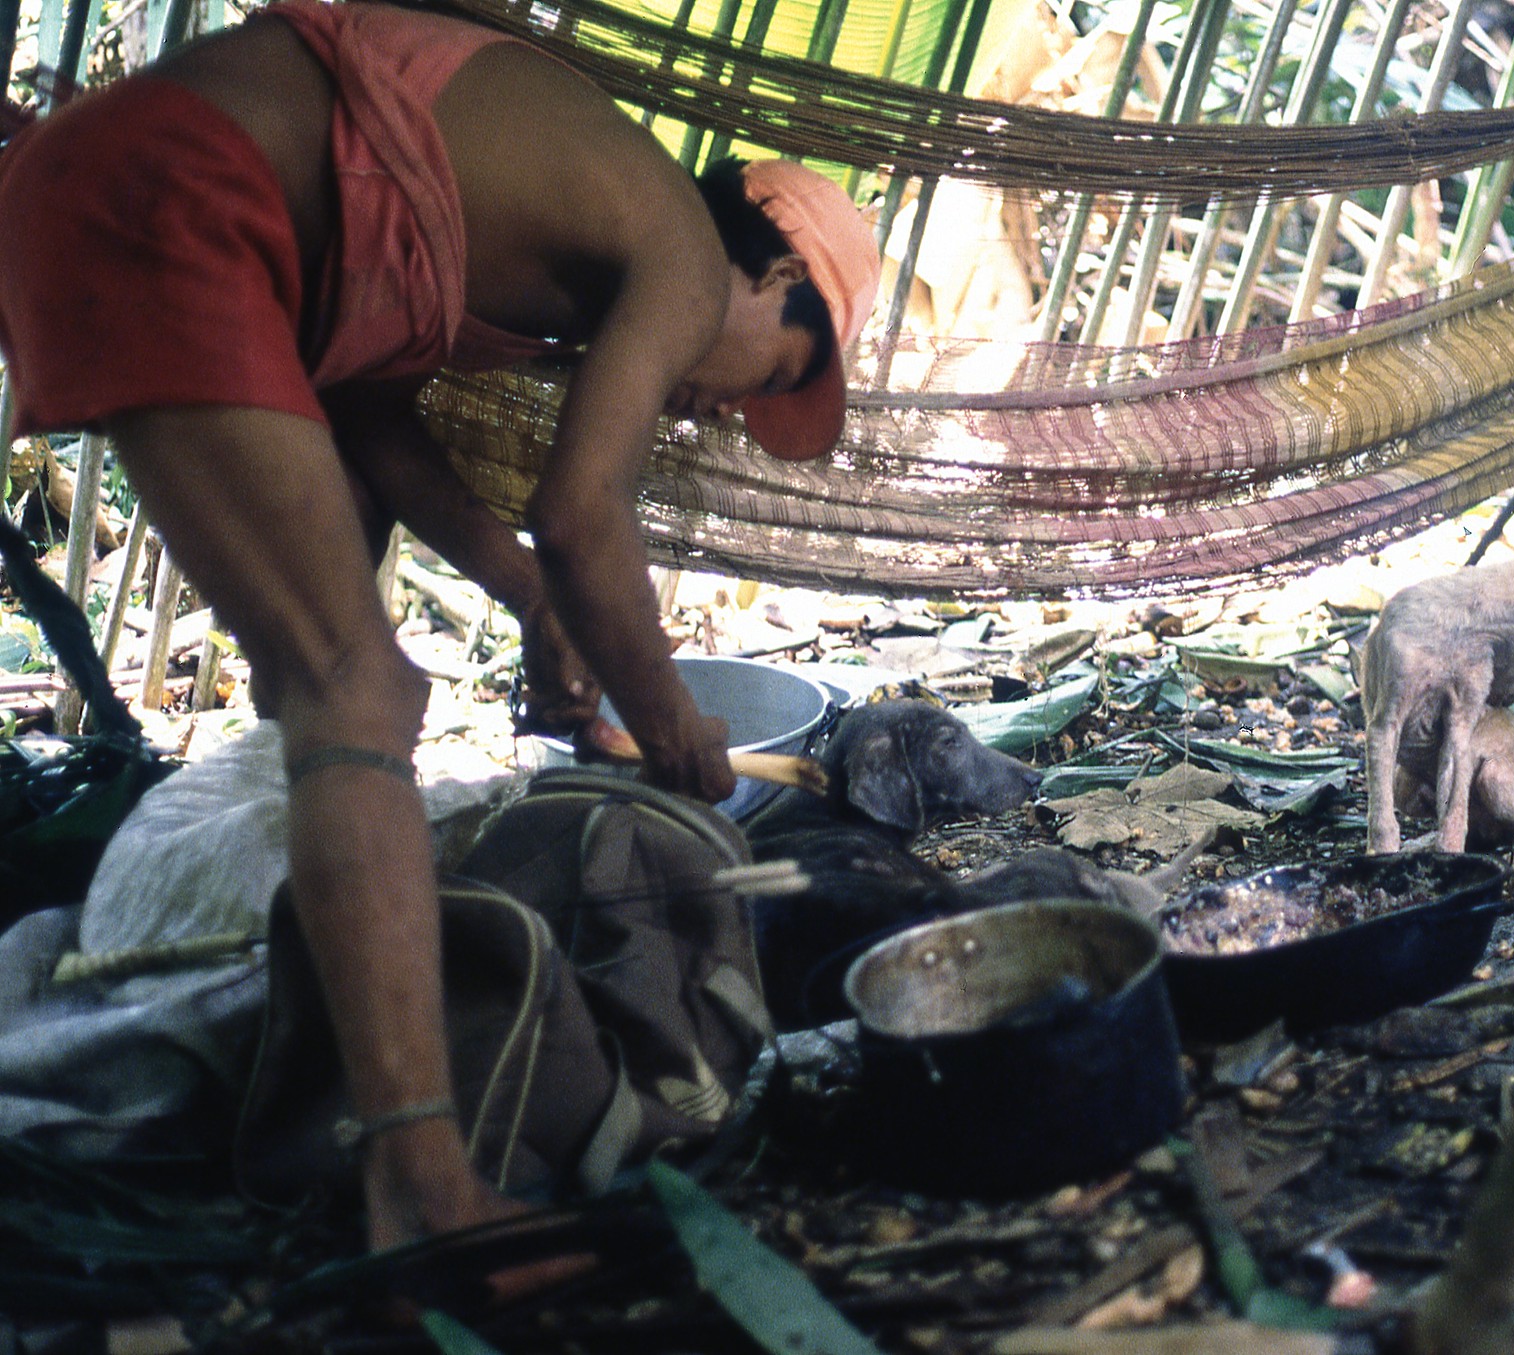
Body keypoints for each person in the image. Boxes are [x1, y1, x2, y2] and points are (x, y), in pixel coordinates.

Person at [0, 0, 879, 1272]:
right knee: (355, 692)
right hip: (165, 191)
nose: (735, 409)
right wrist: (668, 718)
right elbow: (581, 514)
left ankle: (382, 1117)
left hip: (136, 187)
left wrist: (526, 601)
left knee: (347, 689)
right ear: (779, 276)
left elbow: (368, 413)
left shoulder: (528, 228)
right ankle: (420, 1183)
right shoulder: (682, 258)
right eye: (779, 372)